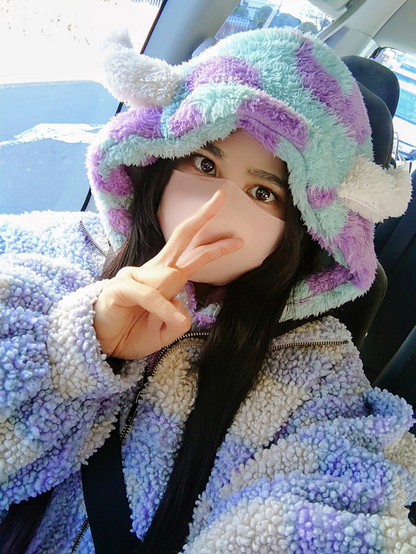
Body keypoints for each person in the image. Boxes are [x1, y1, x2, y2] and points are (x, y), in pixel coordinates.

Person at [0, 27, 415, 554]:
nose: (214, 210)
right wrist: (75, 345)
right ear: (161, 154)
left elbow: (335, 505)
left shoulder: (317, 372)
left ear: (304, 227)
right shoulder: (50, 247)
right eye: (204, 163)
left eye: (263, 191)